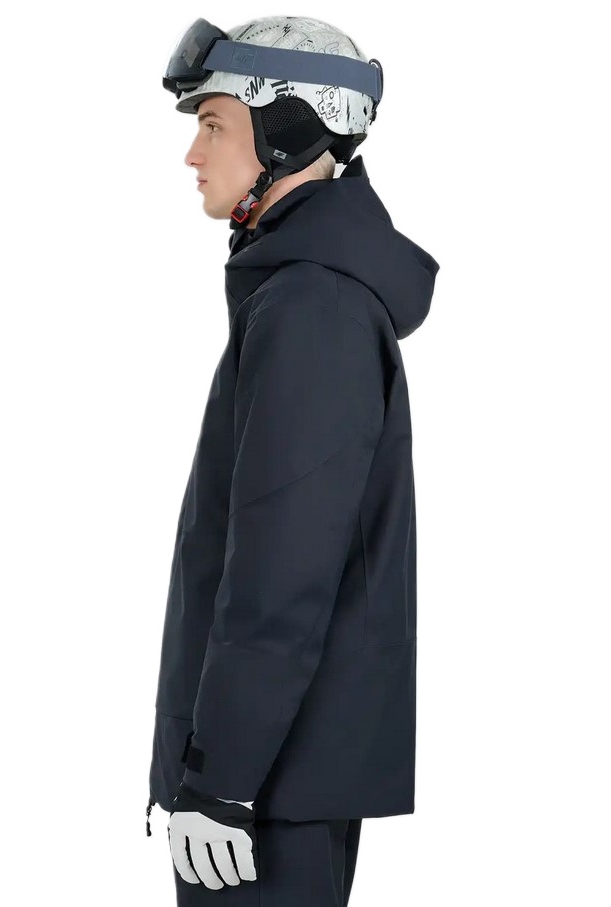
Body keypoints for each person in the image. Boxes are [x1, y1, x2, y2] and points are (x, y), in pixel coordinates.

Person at [146, 15, 440, 905]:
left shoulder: (311, 306)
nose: (192, 154)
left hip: (263, 787)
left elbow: (282, 570)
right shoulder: (300, 292)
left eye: (214, 124)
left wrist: (220, 779)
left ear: (289, 130)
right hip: (275, 773)